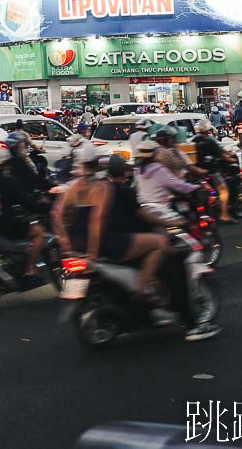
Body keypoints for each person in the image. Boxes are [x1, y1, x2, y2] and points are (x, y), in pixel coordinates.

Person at [103, 155, 220, 341]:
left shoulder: (101, 190)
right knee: (174, 266)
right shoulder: (132, 186)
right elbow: (147, 214)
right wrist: (173, 222)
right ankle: (189, 324)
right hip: (130, 239)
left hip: (110, 242)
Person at [52, 146, 169, 304]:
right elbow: (97, 220)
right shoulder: (102, 187)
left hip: (76, 244)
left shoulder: (72, 187)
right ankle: (141, 289)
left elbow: (56, 215)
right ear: (95, 163)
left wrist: (65, 243)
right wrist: (93, 251)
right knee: (161, 242)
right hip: (102, 244)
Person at [0, 146, 47, 283]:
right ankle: (30, 268)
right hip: (3, 225)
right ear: (4, 164)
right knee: (38, 231)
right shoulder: (5, 181)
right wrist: (41, 208)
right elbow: (24, 200)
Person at [133, 140, 201, 217]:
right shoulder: (158, 169)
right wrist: (194, 187)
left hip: (144, 206)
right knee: (184, 221)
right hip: (162, 207)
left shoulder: (138, 171)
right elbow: (176, 184)